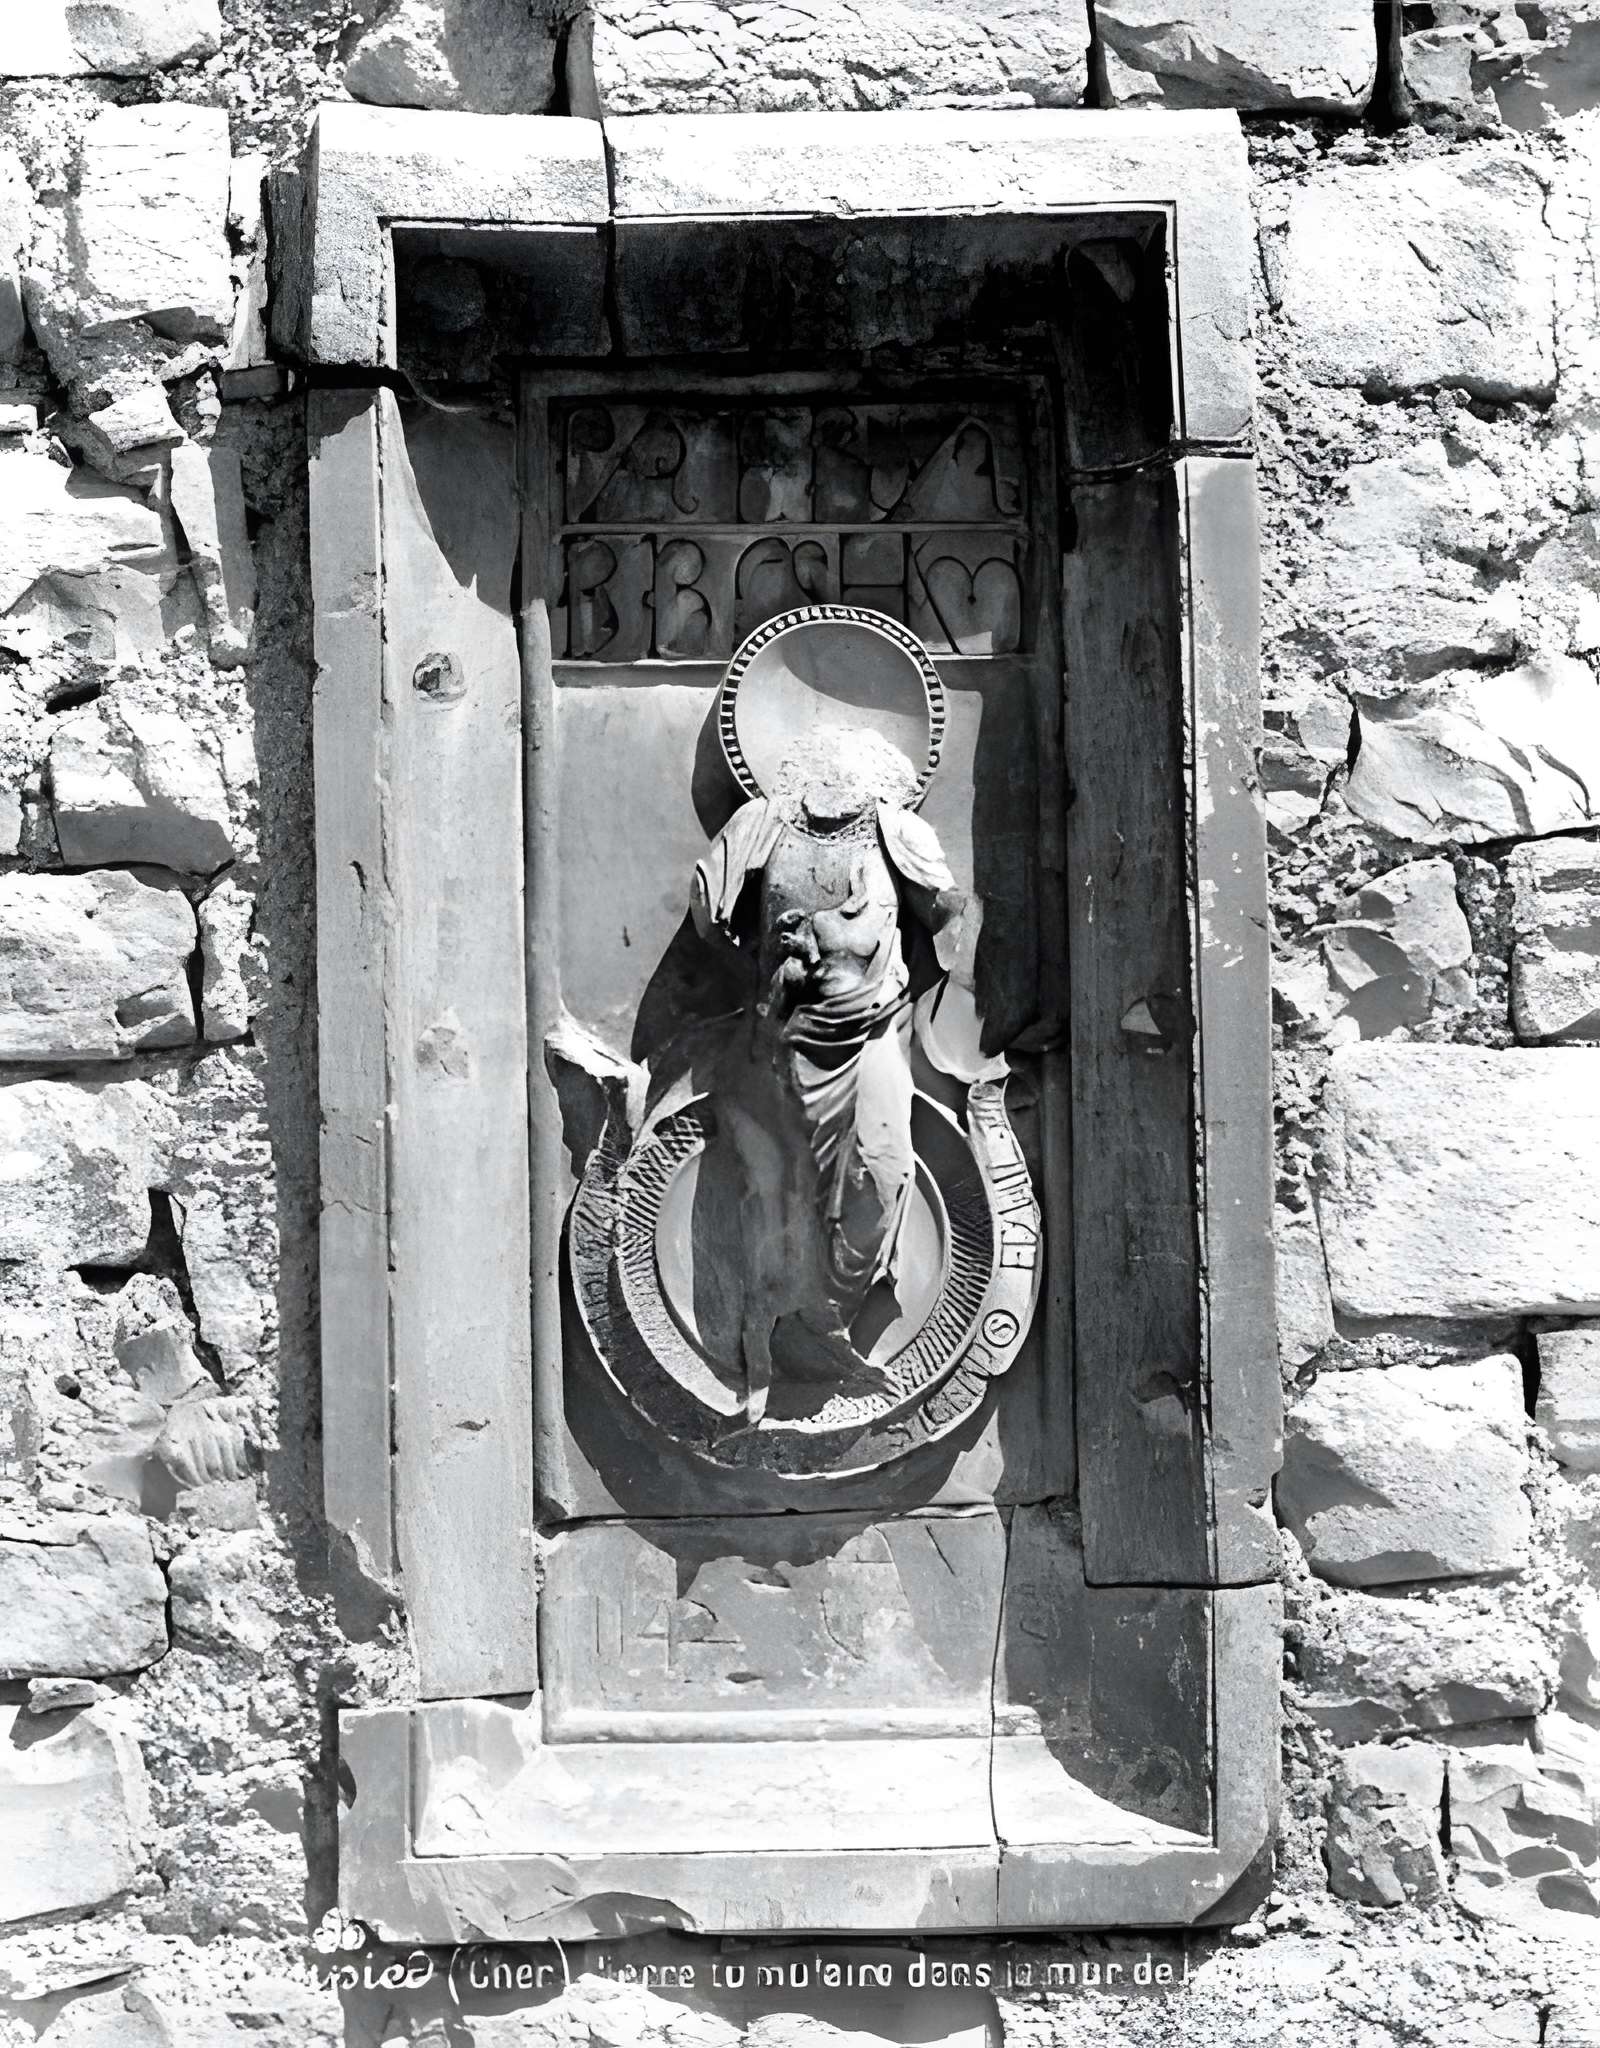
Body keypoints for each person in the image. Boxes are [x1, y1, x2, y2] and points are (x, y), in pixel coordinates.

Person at [690, 722, 962, 1429]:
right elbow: (708, 911)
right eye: (824, 755)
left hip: (871, 1037)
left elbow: (945, 911)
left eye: (856, 756)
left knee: (883, 1170)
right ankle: (788, 1345)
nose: (839, 768)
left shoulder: (899, 833)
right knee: (784, 1199)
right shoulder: (761, 824)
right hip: (786, 1039)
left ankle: (828, 1318)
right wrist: (769, 967)